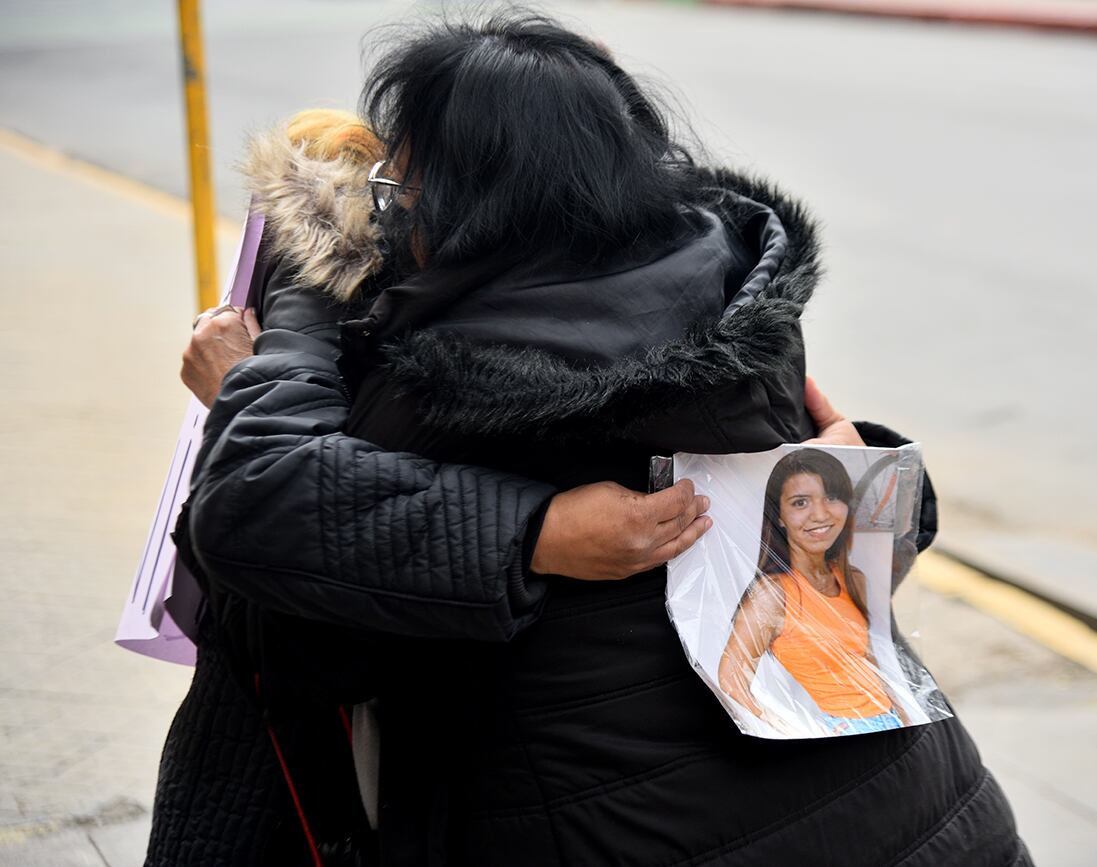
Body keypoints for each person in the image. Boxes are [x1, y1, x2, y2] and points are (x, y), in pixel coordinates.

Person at [158, 12, 1032, 866]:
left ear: (471, 205)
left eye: (398, 194)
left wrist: (293, 305)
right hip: (934, 820)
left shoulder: (436, 388)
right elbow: (862, 545)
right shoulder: (728, 293)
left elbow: (277, 602)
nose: (390, 219)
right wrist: (859, 485)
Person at [718, 448, 913, 736]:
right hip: (838, 731)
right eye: (800, 502)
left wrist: (907, 718)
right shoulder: (772, 595)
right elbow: (730, 681)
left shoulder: (852, 579)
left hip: (890, 722)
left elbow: (869, 662)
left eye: (831, 497)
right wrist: (793, 732)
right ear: (779, 516)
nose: (820, 514)